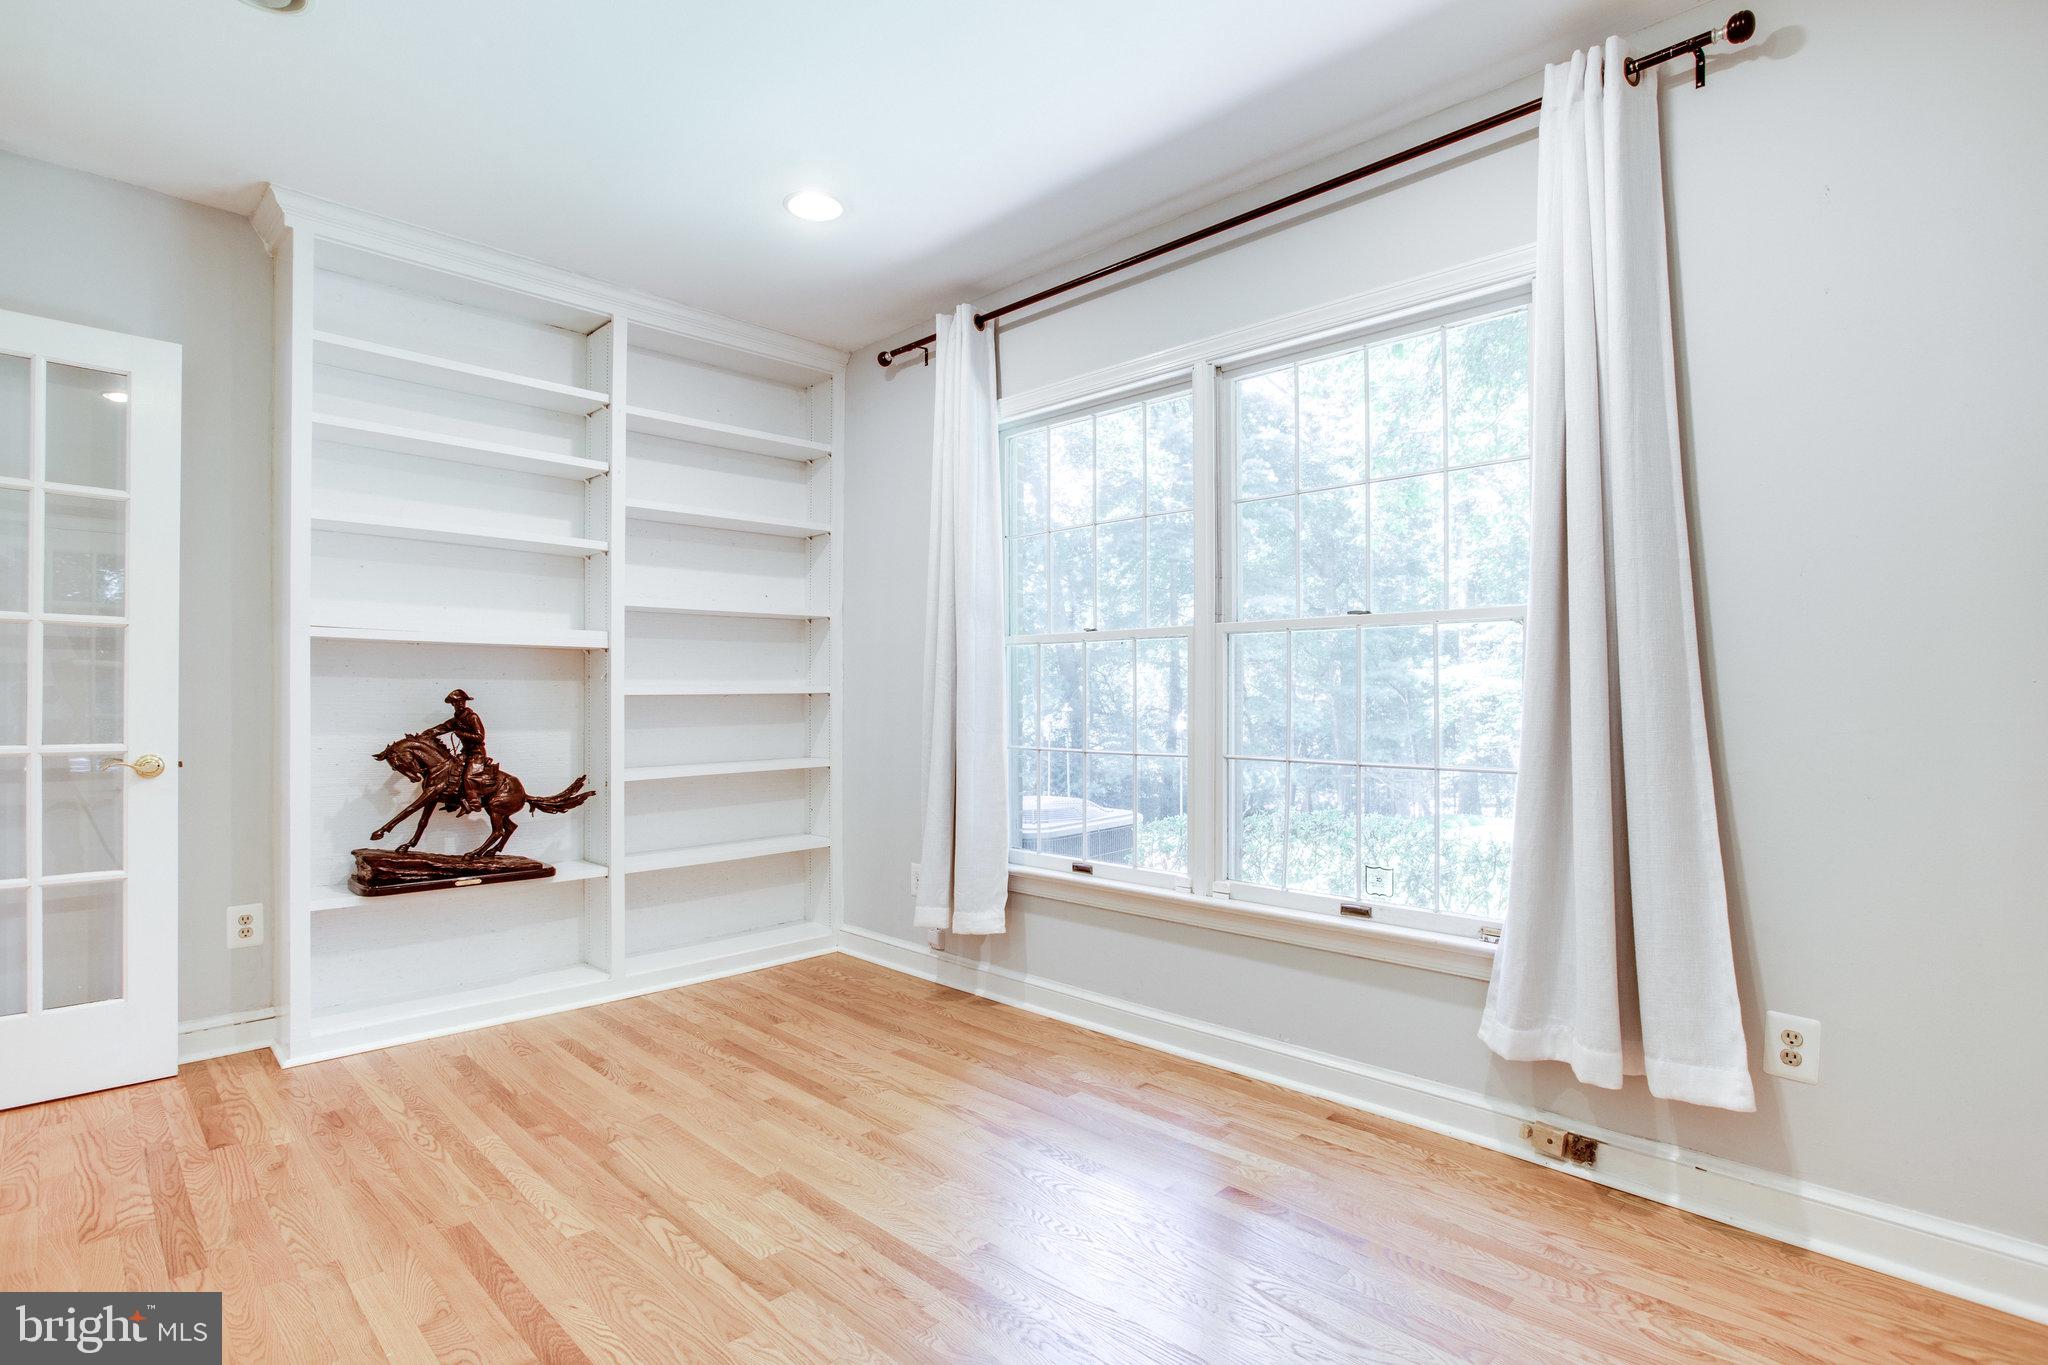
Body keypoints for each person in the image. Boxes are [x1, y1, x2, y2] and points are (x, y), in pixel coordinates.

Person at [422, 688, 494, 815]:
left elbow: (480, 737)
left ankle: (473, 802)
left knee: (468, 776)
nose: (459, 704)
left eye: (461, 701)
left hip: (477, 753)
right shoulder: (455, 720)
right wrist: (426, 735)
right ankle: (453, 801)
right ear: (452, 704)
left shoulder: (472, 717)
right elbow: (441, 728)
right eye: (456, 702)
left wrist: (462, 733)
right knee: (451, 773)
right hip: (465, 752)